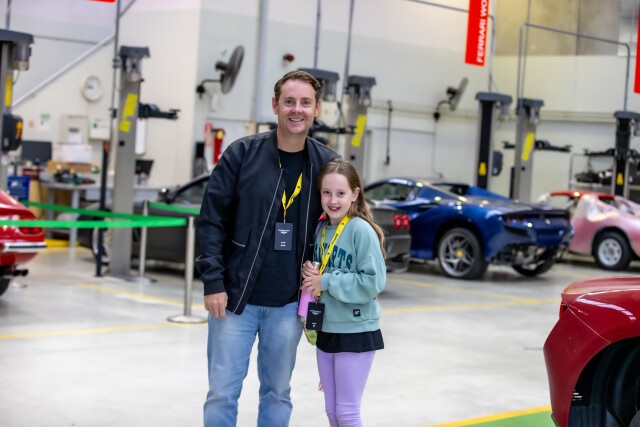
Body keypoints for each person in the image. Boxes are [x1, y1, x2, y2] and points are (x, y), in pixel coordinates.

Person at [195, 70, 338, 427]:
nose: (296, 109)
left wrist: (335, 275)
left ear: (317, 109)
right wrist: (213, 282)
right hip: (234, 301)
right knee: (222, 393)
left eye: (305, 102)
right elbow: (211, 220)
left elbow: (346, 226)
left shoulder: (328, 165)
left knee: (277, 393)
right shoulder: (242, 154)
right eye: (289, 101)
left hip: (289, 305)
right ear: (275, 105)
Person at [300, 159, 386, 427]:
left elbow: (373, 282)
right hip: (327, 328)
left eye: (340, 193)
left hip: (355, 331)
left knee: (347, 413)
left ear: (355, 194)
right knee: (332, 411)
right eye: (327, 192)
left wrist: (326, 281)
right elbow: (325, 270)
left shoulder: (360, 230)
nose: (333, 200)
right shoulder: (322, 228)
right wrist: (311, 271)